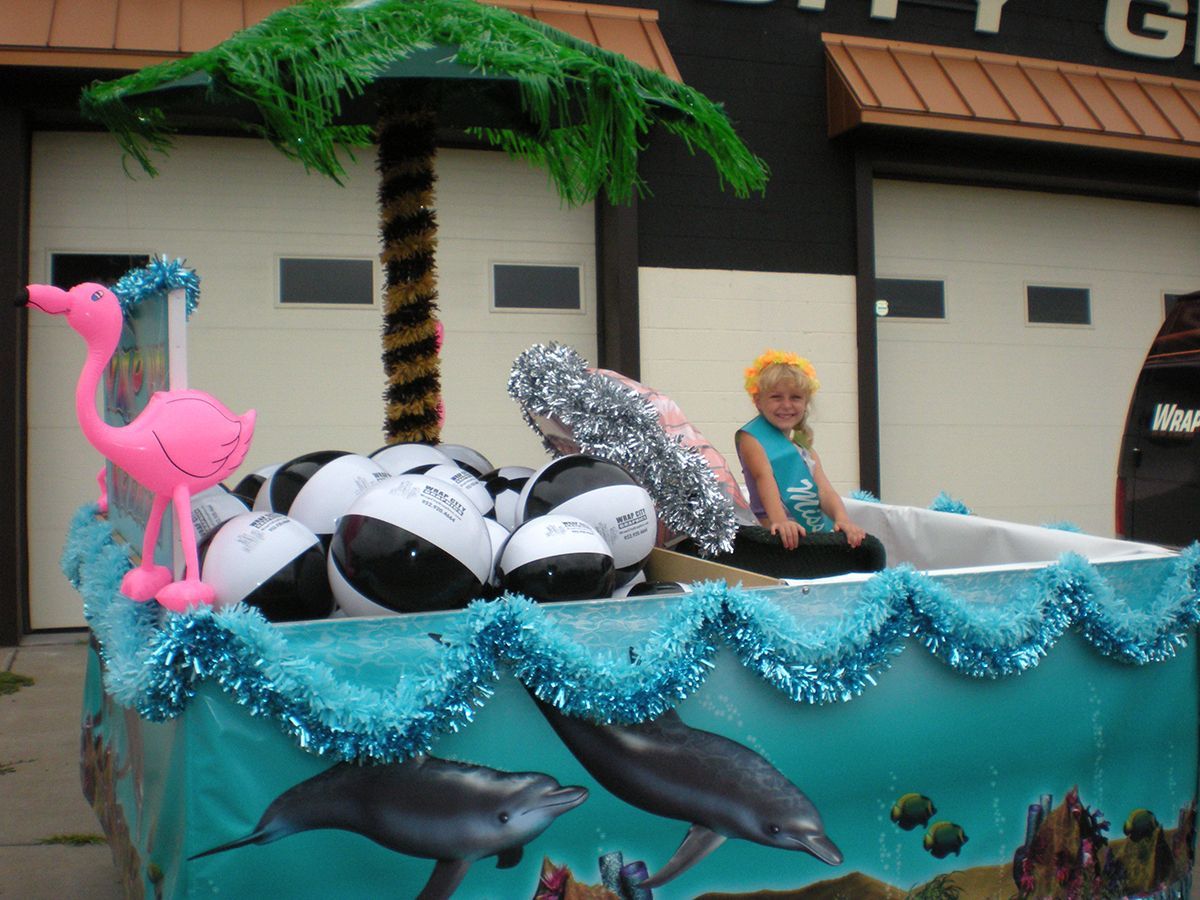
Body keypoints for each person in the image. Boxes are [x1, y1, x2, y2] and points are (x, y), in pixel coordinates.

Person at [736, 350, 883, 571]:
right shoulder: (751, 437)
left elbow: (824, 491)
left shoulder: (803, 444)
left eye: (795, 397)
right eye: (776, 397)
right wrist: (781, 521)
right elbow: (763, 478)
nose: (786, 405)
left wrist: (842, 519)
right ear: (758, 401)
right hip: (772, 537)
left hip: (808, 536)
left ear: (806, 403)